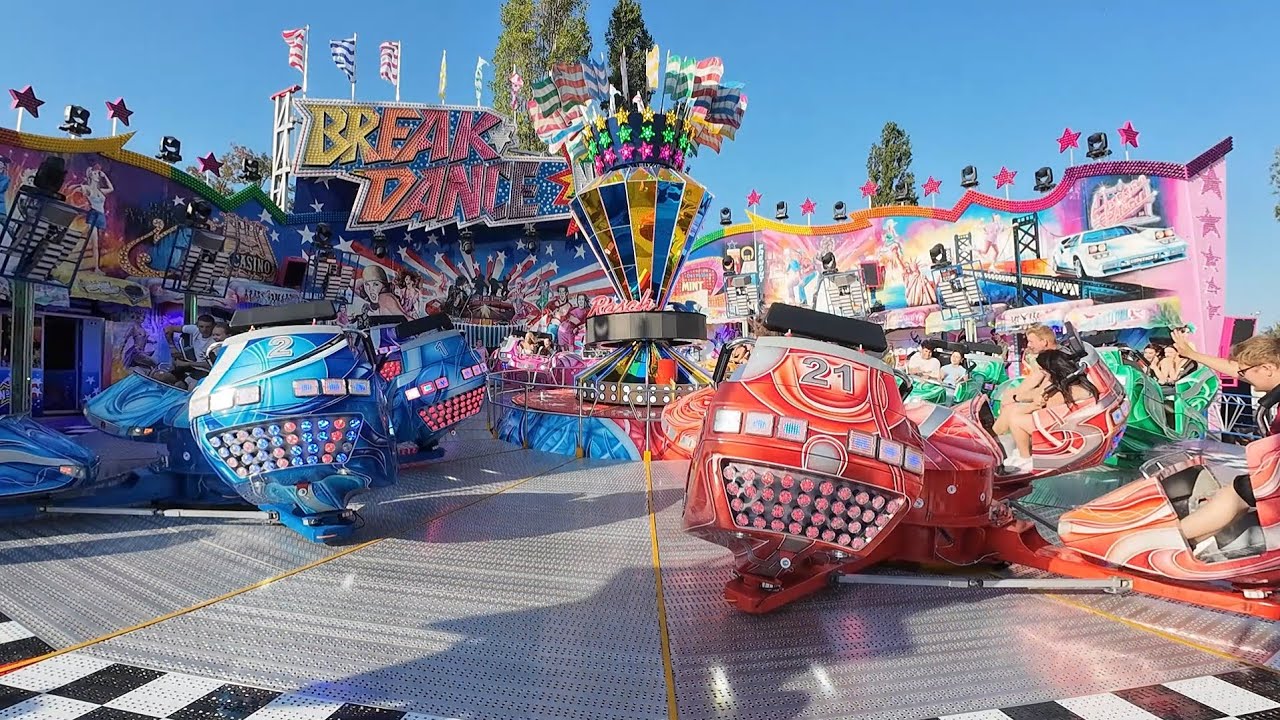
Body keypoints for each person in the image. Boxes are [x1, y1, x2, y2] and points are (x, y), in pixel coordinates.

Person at [1170, 332, 1280, 545]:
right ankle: (1187, 544)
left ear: (1267, 368)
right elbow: (1236, 368)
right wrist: (1192, 354)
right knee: (1238, 493)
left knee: (1236, 494)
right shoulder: (1270, 374)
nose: (1242, 377)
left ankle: (1162, 541)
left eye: (1245, 372)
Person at [994, 349, 1100, 472]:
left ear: (1052, 371)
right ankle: (1000, 443)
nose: (1042, 373)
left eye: (1043, 370)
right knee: (1013, 411)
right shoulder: (1076, 383)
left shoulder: (1063, 393)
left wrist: (1032, 404)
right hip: (1069, 424)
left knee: (1016, 419)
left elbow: (1041, 410)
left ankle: (1024, 457)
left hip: (1063, 430)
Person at [1000, 325, 1058, 406]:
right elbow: (1033, 379)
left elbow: (1044, 391)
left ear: (1044, 342)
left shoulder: (1056, 360)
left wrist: (1015, 397)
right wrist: (1015, 394)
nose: (1028, 345)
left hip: (1054, 403)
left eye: (1031, 342)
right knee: (1009, 394)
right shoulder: (1048, 358)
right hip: (1049, 399)